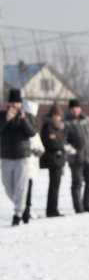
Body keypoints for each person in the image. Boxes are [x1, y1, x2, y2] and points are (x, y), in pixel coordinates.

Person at [1, 89, 36, 226]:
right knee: (8, 187)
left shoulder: (27, 116)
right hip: (6, 156)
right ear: (8, 103)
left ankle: (17, 213)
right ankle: (22, 206)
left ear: (21, 104)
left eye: (17, 102)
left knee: (20, 187)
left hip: (22, 156)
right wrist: (6, 120)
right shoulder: (2, 115)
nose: (14, 105)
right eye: (12, 102)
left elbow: (32, 133)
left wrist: (23, 120)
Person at [64, 98, 89, 213]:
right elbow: (64, 141)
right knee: (77, 183)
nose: (75, 110)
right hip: (76, 158)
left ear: (80, 108)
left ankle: (87, 205)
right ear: (70, 110)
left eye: (77, 108)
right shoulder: (66, 123)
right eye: (73, 108)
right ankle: (78, 207)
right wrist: (71, 150)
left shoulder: (87, 120)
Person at [40, 105, 68, 217]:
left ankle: (53, 208)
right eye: (56, 115)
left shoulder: (60, 127)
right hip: (52, 159)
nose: (58, 118)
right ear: (52, 116)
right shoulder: (48, 127)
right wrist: (61, 146)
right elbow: (51, 142)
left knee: (56, 186)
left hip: (59, 159)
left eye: (59, 116)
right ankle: (51, 210)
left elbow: (62, 140)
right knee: (54, 186)